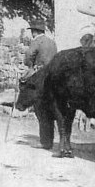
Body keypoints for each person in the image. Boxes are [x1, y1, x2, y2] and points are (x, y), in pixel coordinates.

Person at [24, 21, 57, 150]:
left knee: (40, 110)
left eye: (32, 31)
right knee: (49, 109)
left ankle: (45, 142)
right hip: (53, 78)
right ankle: (50, 140)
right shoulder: (52, 42)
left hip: (40, 78)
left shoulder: (36, 42)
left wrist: (29, 66)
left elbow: (28, 57)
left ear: (34, 31)